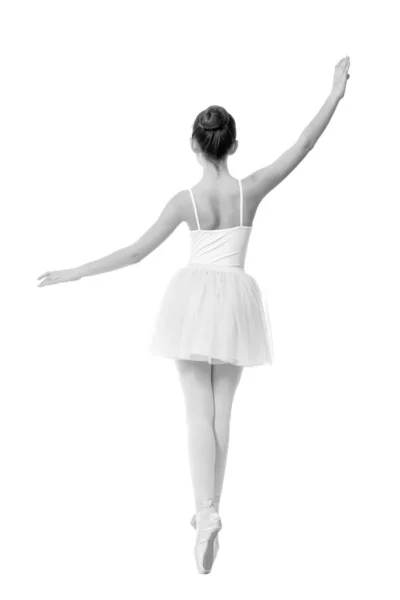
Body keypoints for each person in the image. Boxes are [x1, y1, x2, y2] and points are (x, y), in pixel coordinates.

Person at [37, 56, 350, 574]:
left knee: (194, 412)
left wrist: (73, 272)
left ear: (194, 145)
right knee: (221, 413)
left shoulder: (187, 200)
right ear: (233, 144)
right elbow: (304, 145)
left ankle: (205, 511)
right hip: (236, 303)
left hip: (191, 302)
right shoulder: (252, 188)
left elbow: (136, 252)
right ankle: (209, 511)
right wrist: (335, 93)